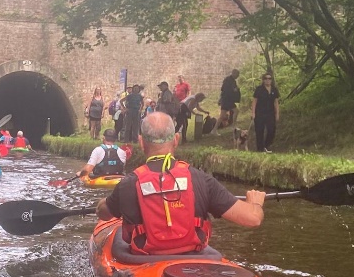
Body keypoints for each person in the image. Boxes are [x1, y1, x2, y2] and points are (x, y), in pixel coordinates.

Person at [95, 112, 266, 255]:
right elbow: (253, 219)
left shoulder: (128, 184)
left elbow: (104, 214)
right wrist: (256, 202)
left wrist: (105, 203)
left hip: (144, 259)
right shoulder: (201, 179)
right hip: (193, 259)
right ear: (176, 139)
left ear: (141, 142)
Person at [252, 72, 280, 153]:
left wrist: (277, 113)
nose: (268, 80)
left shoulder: (274, 89)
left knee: (272, 130)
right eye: (266, 78)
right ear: (263, 80)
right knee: (259, 131)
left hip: (270, 113)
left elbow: (276, 102)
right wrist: (253, 113)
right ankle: (260, 149)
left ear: (271, 80)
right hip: (259, 113)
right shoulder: (259, 89)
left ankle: (266, 145)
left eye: (269, 78)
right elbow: (254, 101)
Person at [213, 69, 241, 134]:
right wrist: (234, 90)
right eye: (237, 75)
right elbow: (224, 89)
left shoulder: (233, 81)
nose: (238, 76)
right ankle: (233, 126)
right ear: (234, 73)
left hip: (228, 100)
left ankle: (214, 130)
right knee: (234, 111)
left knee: (224, 115)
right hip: (227, 100)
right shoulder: (228, 80)